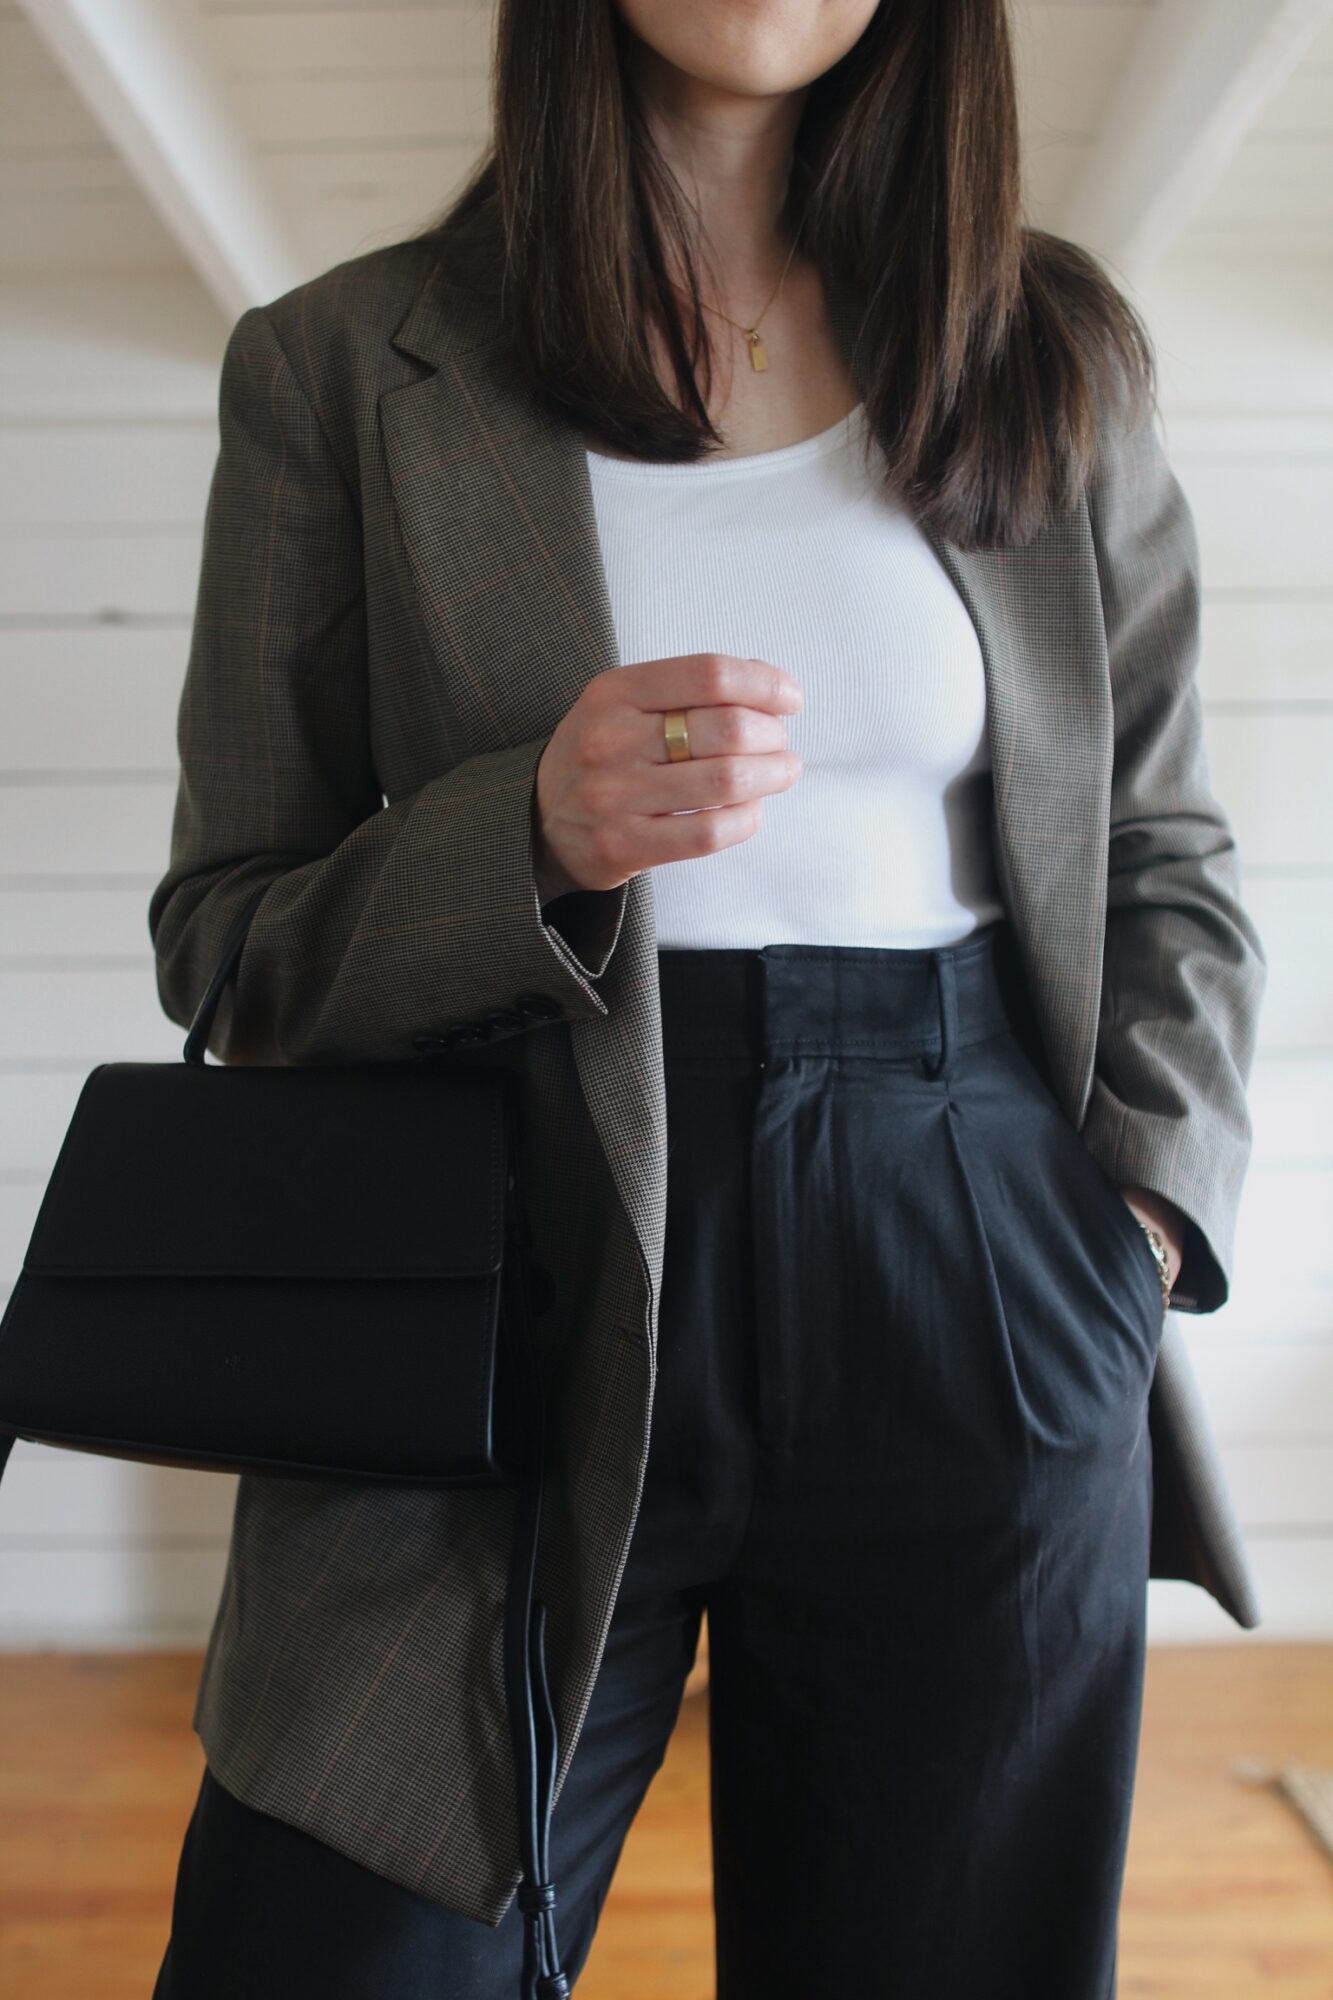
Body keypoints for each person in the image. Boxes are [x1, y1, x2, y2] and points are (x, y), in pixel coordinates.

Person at [148, 1, 1267, 1994]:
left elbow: (1163, 851)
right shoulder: (341, 366)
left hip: (976, 1257)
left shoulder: (1044, 347)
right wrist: (528, 840)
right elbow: (233, 940)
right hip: (512, 1257)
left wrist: (1135, 1225)